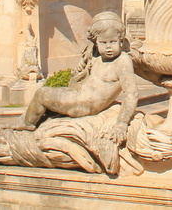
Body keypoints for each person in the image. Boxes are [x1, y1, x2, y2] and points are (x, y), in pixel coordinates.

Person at [14, 12, 138, 144]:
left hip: (84, 105)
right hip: (80, 96)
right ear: (96, 43)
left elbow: (131, 94)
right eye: (103, 42)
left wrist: (122, 124)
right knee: (52, 92)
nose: (108, 47)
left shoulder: (122, 61)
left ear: (121, 41)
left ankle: (26, 125)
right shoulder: (98, 56)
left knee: (41, 94)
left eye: (113, 42)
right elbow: (91, 46)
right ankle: (23, 121)